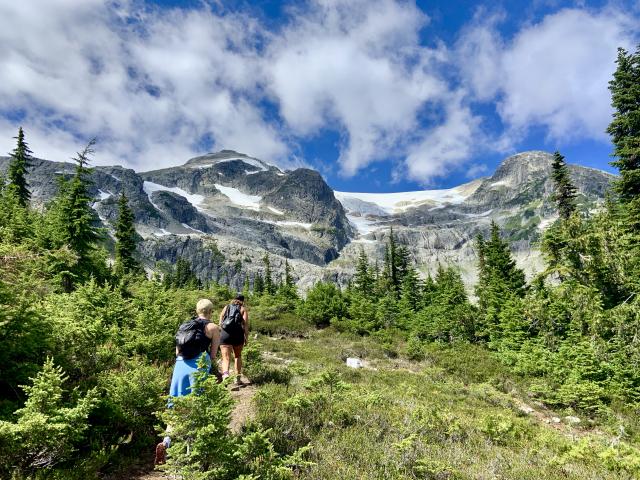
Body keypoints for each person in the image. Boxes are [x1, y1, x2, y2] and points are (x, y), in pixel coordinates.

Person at [155, 298, 221, 466]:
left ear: (197, 310)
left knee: (176, 405)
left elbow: (178, 350)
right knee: (195, 405)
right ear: (211, 311)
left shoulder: (185, 326)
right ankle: (189, 452)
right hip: (198, 365)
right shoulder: (213, 328)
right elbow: (213, 355)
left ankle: (166, 441)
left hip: (180, 365)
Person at [219, 294, 249, 385]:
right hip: (238, 335)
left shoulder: (226, 307)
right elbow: (245, 326)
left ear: (234, 299)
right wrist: (246, 338)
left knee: (225, 358)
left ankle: (225, 376)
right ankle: (237, 379)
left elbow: (220, 321)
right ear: (242, 301)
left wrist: (222, 332)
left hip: (225, 334)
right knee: (237, 356)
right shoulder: (243, 309)